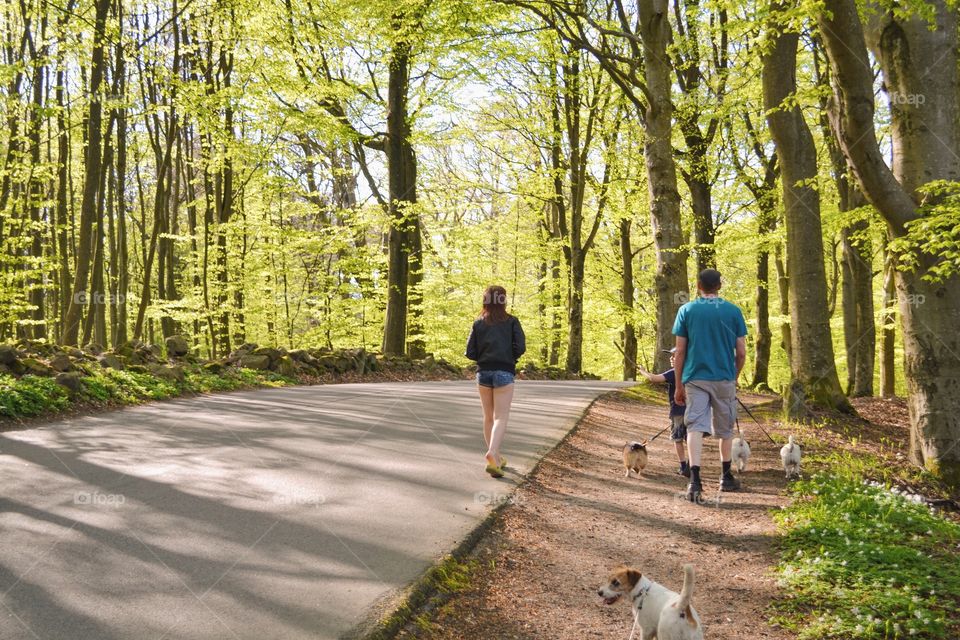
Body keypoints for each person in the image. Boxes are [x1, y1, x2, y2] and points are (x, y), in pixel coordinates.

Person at [672, 268, 747, 503]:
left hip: (695, 377)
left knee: (695, 426)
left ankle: (695, 480)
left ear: (698, 285)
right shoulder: (733, 311)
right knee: (725, 430)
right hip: (724, 377)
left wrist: (678, 385)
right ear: (720, 285)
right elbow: (742, 353)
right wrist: (733, 377)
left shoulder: (686, 310)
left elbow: (680, 352)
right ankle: (725, 476)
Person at [466, 285, 526, 478]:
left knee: (488, 417)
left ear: (485, 300)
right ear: (503, 301)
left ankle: (496, 459)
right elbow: (521, 347)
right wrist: (510, 357)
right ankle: (493, 453)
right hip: (504, 372)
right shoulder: (512, 322)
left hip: (483, 373)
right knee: (500, 417)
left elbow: (470, 352)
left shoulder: (478, 323)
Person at [637, 348, 690, 477]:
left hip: (678, 412)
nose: (671, 359)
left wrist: (643, 371)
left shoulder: (674, 373)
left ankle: (684, 466)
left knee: (678, 439)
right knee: (691, 439)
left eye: (674, 356)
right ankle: (692, 466)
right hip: (693, 411)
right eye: (671, 356)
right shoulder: (692, 372)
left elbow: (654, 378)